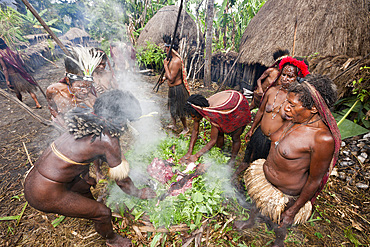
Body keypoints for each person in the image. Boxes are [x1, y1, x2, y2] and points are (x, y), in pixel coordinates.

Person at [24, 89, 156, 247]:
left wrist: (86, 176)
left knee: (86, 189)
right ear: (118, 118)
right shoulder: (107, 139)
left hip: (35, 179)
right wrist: (139, 193)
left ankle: (90, 209)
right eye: (126, 120)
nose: (126, 125)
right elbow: (122, 182)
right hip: (43, 192)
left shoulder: (87, 116)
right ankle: (112, 239)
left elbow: (81, 153)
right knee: (103, 212)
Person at [233, 74, 341, 247]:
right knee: (256, 202)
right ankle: (251, 221)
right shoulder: (295, 119)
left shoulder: (322, 139)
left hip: (287, 193)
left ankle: (279, 241)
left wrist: (293, 210)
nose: (285, 108)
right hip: (265, 178)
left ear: (313, 108)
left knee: (280, 222)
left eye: (291, 104)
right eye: (286, 102)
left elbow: (315, 180)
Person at [241, 57, 310, 166]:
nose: (285, 78)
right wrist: (252, 129)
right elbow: (260, 111)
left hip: (274, 142)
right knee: (249, 159)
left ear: (297, 78)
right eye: (283, 74)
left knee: (264, 167)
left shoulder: (297, 101)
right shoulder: (272, 91)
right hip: (260, 134)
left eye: (290, 76)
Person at [180, 90, 251, 164]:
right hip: (227, 103)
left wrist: (196, 155)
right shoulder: (199, 107)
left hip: (238, 107)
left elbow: (212, 141)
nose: (193, 119)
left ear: (199, 112)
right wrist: (189, 152)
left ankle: (232, 161)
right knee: (219, 133)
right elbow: (195, 131)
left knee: (235, 137)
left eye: (194, 116)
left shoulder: (214, 115)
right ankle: (219, 152)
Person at [46, 47, 102, 127]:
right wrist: (63, 123)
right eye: (80, 87)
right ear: (68, 80)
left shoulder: (91, 98)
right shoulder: (54, 90)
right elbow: (51, 107)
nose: (86, 91)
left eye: (88, 86)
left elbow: (99, 115)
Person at [159, 34, 191, 135]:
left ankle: (186, 128)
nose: (165, 50)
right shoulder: (171, 60)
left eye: (166, 48)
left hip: (178, 89)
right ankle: (174, 124)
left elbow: (172, 78)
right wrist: (164, 78)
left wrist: (165, 65)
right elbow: (169, 75)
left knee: (180, 110)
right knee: (172, 107)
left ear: (169, 49)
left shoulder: (176, 61)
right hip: (172, 89)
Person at [0, 38, 42, 108]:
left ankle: (21, 103)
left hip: (12, 75)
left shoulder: (1, 56)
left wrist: (7, 80)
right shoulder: (14, 53)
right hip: (21, 73)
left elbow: (5, 68)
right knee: (29, 90)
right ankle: (37, 103)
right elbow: (22, 64)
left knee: (17, 91)